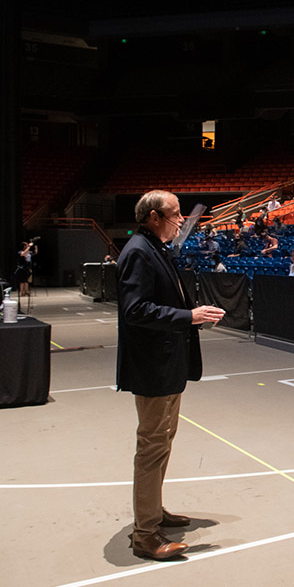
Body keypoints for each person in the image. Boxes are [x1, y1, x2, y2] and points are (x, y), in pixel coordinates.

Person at [116, 190, 225, 561]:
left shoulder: (155, 249)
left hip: (167, 365)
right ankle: (145, 534)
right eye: (175, 214)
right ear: (152, 216)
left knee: (162, 444)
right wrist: (188, 317)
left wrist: (189, 313)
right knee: (151, 447)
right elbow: (136, 309)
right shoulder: (138, 253)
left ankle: (153, 510)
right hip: (152, 367)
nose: (182, 220)